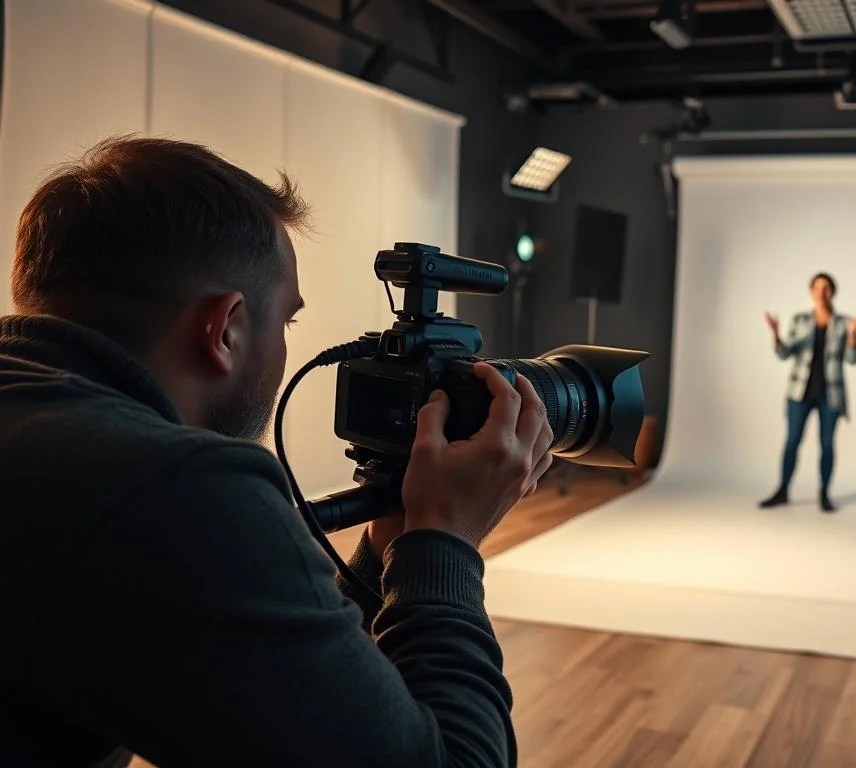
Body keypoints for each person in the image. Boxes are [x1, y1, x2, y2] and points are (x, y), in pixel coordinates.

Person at [0, 136, 553, 767]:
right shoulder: (174, 489)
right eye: (287, 322)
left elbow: (288, 689)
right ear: (228, 328)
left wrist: (384, 549)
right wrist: (446, 546)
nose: (287, 341)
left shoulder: (56, 447)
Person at [759, 272, 856, 512]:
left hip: (830, 393)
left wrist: (854, 336)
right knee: (792, 441)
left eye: (826, 288)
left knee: (827, 443)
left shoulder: (844, 323)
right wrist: (775, 335)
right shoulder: (800, 320)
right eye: (816, 287)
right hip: (800, 391)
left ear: (832, 292)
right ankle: (783, 489)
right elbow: (785, 354)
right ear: (811, 292)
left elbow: (853, 358)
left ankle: (824, 493)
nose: (821, 292)